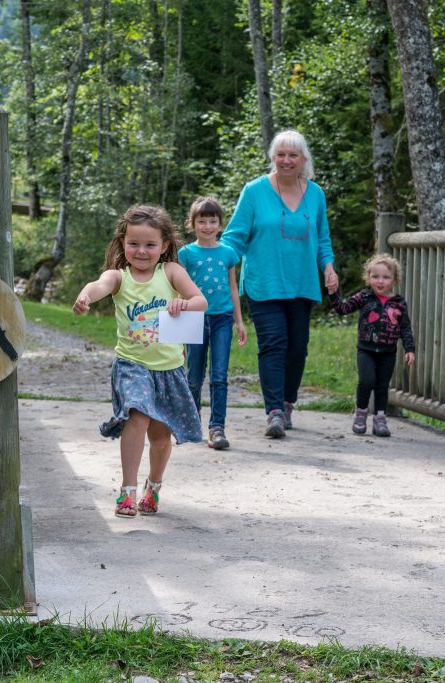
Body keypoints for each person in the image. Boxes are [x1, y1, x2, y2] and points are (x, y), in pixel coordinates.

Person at [72, 204, 207, 518]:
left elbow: (201, 301)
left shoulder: (171, 272)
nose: (142, 251)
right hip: (133, 365)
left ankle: (154, 486)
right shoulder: (118, 277)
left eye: (150, 245)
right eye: (134, 244)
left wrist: (183, 304)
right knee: (137, 414)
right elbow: (98, 286)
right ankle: (127, 491)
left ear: (164, 247)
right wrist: (85, 297)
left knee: (160, 436)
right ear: (123, 244)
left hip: (169, 369)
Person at [219, 129, 338, 438]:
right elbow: (235, 237)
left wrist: (328, 268)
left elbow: (322, 238)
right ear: (273, 158)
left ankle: (286, 404)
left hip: (302, 282)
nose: (286, 160)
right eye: (280, 155)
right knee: (274, 344)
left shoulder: (316, 194)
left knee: (297, 348)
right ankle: (274, 412)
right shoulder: (254, 191)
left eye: (293, 155)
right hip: (264, 282)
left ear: (303, 159)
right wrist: (215, 261)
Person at [179, 196, 248, 450]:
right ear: (193, 223)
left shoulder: (228, 253)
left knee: (219, 376)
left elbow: (232, 289)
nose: (207, 226)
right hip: (194, 317)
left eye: (212, 221)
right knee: (193, 376)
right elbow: (178, 292)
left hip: (222, 318)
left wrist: (239, 321)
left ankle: (217, 427)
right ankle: (191, 421)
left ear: (220, 224)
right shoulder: (185, 253)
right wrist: (178, 328)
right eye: (202, 221)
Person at [327, 254, 415, 437]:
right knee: (366, 381)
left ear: (395, 280)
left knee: (382, 386)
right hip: (366, 350)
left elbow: (405, 328)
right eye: (375, 277)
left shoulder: (399, 303)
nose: (380, 281)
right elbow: (342, 309)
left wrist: (410, 349)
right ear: (368, 278)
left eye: (386, 277)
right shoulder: (364, 297)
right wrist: (333, 293)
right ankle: (361, 414)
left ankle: (380, 420)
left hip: (388, 352)